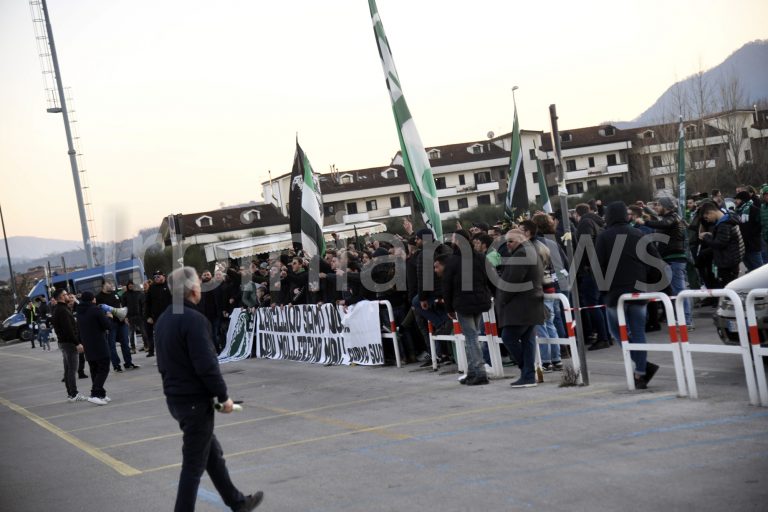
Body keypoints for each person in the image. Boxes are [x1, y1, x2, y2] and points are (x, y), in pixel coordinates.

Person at [155, 267, 263, 512]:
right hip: (194, 402)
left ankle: (238, 502)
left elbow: (163, 364)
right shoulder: (194, 320)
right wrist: (223, 397)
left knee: (212, 455)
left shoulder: (164, 319)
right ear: (194, 290)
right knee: (193, 466)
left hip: (177, 400)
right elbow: (206, 365)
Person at [596, 202, 664, 389]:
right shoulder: (638, 234)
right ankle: (641, 371)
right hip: (638, 291)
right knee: (638, 331)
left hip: (614, 293)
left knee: (617, 331)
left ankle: (642, 366)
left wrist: (604, 290)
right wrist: (647, 281)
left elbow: (597, 266)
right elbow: (656, 263)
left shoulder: (604, 237)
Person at [496, 229, 547, 388]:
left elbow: (512, 282)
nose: (508, 244)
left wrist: (502, 300)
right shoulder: (530, 251)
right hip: (530, 304)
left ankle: (527, 371)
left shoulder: (522, 254)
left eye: (511, 241)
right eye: (506, 241)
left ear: (521, 240)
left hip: (521, 306)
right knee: (527, 341)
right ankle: (528, 376)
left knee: (508, 337)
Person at [441, 231, 492, 386]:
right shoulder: (480, 257)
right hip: (479, 301)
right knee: (473, 336)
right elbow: (489, 278)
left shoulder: (453, 261)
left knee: (471, 337)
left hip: (463, 303)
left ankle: (480, 372)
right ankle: (472, 372)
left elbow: (447, 286)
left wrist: (449, 308)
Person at [635, 196, 692, 328]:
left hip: (675, 259)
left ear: (666, 207)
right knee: (676, 291)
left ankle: (686, 321)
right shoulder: (669, 217)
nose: (656, 207)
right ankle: (682, 319)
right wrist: (646, 208)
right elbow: (658, 218)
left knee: (679, 291)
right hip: (670, 259)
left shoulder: (673, 218)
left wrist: (645, 223)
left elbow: (664, 223)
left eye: (659, 205)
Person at [76, 291, 113, 405]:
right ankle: (95, 394)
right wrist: (109, 317)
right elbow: (107, 325)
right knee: (104, 368)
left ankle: (101, 394)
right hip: (99, 344)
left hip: (88, 345)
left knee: (94, 369)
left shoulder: (79, 311)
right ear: (92, 299)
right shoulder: (95, 309)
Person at [51, 288, 87, 402]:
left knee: (68, 369)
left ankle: (70, 394)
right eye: (66, 294)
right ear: (61, 297)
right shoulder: (62, 310)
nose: (68, 296)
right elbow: (68, 329)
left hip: (64, 342)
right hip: (69, 343)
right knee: (72, 370)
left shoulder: (59, 309)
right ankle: (74, 394)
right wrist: (77, 343)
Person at [698, 201, 745, 287]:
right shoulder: (727, 219)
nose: (707, 220)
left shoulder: (724, 224)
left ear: (710, 212)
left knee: (728, 287)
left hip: (728, 262)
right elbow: (724, 240)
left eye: (706, 217)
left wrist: (705, 237)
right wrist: (710, 235)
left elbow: (719, 244)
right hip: (732, 259)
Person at [96, 280, 138, 372]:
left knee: (125, 343)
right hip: (110, 324)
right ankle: (116, 365)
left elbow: (120, 305)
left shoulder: (115, 294)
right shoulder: (98, 297)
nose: (112, 285)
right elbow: (98, 311)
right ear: (103, 285)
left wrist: (125, 317)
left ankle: (128, 363)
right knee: (112, 346)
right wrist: (105, 315)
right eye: (109, 284)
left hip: (121, 322)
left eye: (112, 283)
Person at [733, 191, 764, 272]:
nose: (735, 201)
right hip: (743, 246)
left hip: (752, 245)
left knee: (759, 269)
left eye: (737, 199)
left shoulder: (754, 210)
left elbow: (760, 226)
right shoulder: (737, 211)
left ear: (743, 200)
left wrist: (750, 235)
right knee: (750, 270)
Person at [145, 270, 172, 357]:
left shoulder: (170, 285)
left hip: (170, 316)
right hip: (157, 317)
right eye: (155, 277)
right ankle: (163, 354)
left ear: (163, 276)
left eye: (158, 276)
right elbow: (147, 303)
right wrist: (148, 316)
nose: (156, 278)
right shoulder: (152, 288)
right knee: (160, 336)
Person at [121, 281, 146, 353]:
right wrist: (125, 317)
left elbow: (143, 304)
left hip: (139, 316)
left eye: (131, 285)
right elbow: (124, 307)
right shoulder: (124, 295)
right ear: (127, 286)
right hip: (130, 317)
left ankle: (146, 346)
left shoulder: (139, 293)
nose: (130, 286)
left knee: (143, 332)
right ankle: (133, 348)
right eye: (129, 285)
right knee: (131, 334)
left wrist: (143, 314)